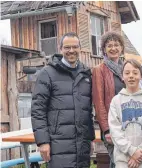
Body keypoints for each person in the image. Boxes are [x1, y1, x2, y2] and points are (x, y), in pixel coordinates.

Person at [31, 32, 95, 168]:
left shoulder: (86, 74)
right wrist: (43, 142)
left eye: (75, 47)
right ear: (60, 49)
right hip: (57, 145)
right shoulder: (47, 73)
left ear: (80, 48)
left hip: (82, 145)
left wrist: (90, 138)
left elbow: (87, 110)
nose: (71, 50)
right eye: (67, 47)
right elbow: (38, 110)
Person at [108, 59, 142, 168]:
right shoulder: (116, 100)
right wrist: (132, 151)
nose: (131, 76)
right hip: (124, 161)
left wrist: (141, 152)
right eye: (127, 73)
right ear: (122, 76)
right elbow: (115, 130)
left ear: (141, 75)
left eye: (135, 73)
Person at [92, 31, 126, 168]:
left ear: (122, 47)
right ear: (104, 50)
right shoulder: (99, 70)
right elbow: (99, 102)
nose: (113, 48)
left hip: (128, 124)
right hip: (112, 127)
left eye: (116, 45)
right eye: (109, 45)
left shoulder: (126, 68)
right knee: (117, 162)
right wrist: (106, 130)